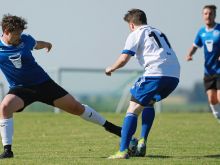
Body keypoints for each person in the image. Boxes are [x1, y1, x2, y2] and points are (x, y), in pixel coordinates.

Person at [0, 14, 122, 159]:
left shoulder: (25, 39)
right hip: (21, 89)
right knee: (5, 107)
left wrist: (46, 44)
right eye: (16, 34)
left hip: (43, 83)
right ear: (6, 31)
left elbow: (36, 44)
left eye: (20, 33)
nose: (19, 37)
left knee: (77, 108)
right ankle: (8, 151)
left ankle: (112, 128)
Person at [105, 9, 180, 159]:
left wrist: (111, 68)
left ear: (132, 24)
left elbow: (124, 58)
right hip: (174, 76)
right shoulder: (157, 31)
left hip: (156, 74)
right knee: (148, 103)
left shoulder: (136, 34)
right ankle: (142, 141)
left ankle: (123, 151)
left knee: (132, 108)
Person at [186, 5, 220, 121]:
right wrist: (190, 54)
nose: (208, 16)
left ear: (215, 15)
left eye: (210, 13)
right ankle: (217, 116)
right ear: (203, 16)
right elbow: (195, 45)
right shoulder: (201, 32)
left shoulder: (219, 29)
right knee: (212, 99)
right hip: (208, 71)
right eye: (206, 13)